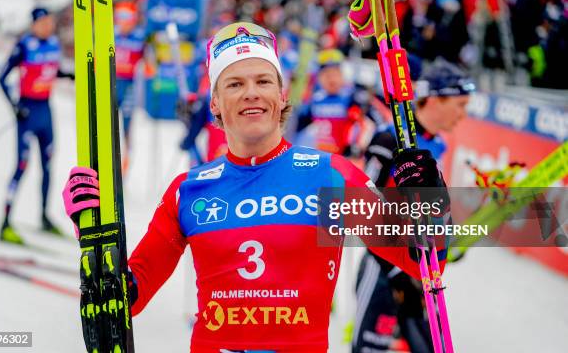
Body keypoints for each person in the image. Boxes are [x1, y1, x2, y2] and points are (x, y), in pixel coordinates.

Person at [63, 22, 449, 352]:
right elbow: (125, 300)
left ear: (281, 96)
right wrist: (93, 236)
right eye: (234, 83)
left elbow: (423, 261)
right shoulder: (189, 190)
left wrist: (431, 200)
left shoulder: (330, 175)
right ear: (215, 102)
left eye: (263, 80)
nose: (251, 92)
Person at [351, 59, 475, 353]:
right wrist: (397, 276)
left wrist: (448, 241)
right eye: (460, 105)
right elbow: (362, 212)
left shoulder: (437, 144)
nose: (464, 115)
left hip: (421, 275)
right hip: (384, 270)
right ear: (434, 99)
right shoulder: (388, 139)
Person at [0, 7, 74, 244]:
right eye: (42, 22)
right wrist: (15, 106)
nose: (47, 26)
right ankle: (5, 222)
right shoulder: (24, 46)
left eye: (49, 22)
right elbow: (1, 78)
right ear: (34, 24)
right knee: (22, 165)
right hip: (28, 111)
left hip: (45, 111)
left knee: (48, 165)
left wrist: (69, 75)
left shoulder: (53, 43)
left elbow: (52, 70)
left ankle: (43, 216)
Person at [295, 49, 365, 155]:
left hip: (343, 156)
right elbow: (299, 133)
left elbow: (362, 127)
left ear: (342, 75)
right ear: (319, 78)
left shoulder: (352, 98)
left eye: (335, 74)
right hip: (319, 156)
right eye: (327, 75)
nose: (331, 79)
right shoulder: (313, 101)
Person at [113, 1, 147, 170]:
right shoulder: (112, 34)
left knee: (126, 126)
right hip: (112, 84)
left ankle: (124, 162)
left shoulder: (139, 37)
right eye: (120, 17)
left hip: (129, 87)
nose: (123, 21)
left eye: (127, 17)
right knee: (108, 124)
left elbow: (150, 63)